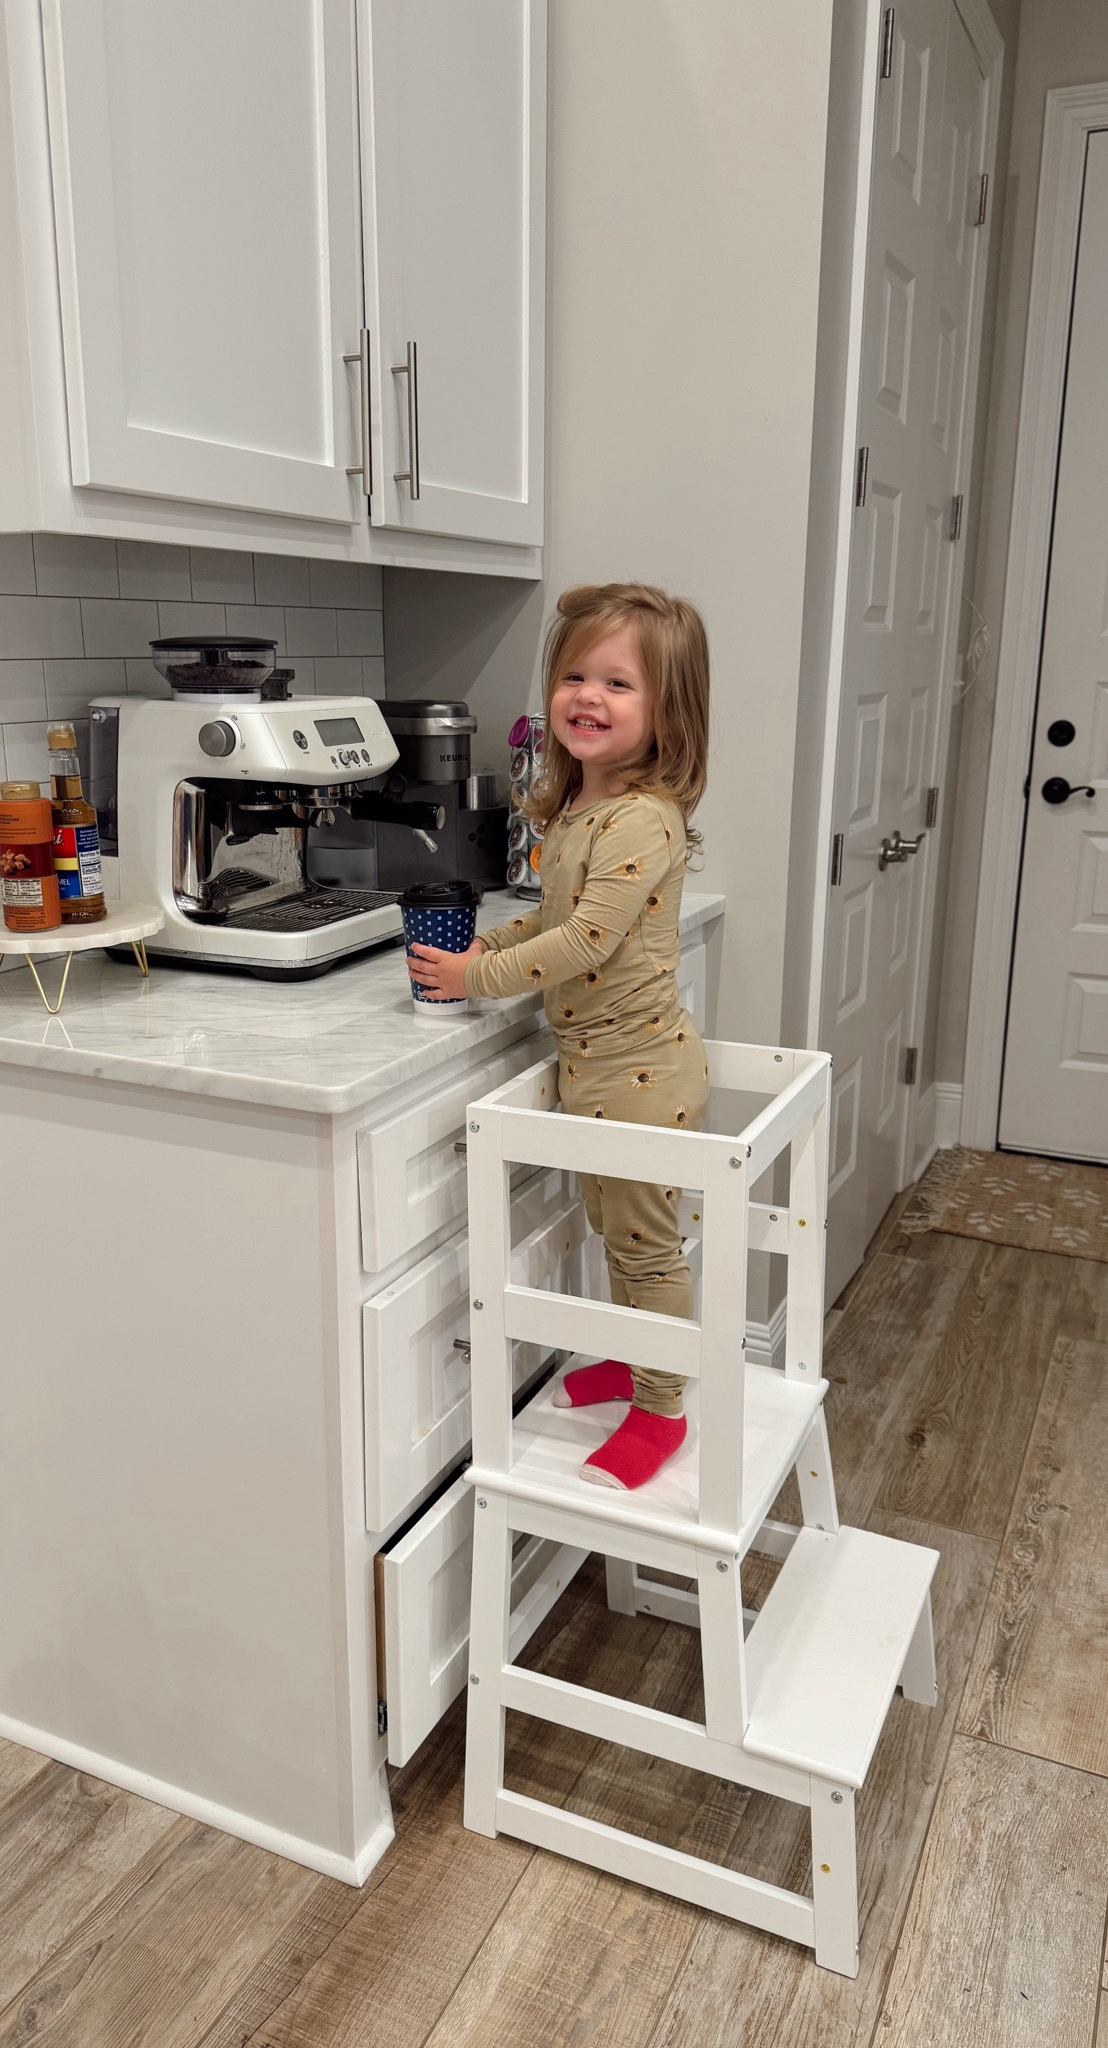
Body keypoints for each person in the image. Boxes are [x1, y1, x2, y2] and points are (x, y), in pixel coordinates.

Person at [408, 583, 710, 1490]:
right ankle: (632, 1359)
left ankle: (663, 1408)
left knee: (647, 1246)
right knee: (614, 1231)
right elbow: (553, 916)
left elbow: (583, 944)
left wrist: (474, 977)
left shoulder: (639, 819)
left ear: (668, 713)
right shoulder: (582, 810)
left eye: (619, 684)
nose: (588, 695)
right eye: (575, 675)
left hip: (639, 1078)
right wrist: (481, 945)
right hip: (604, 1072)